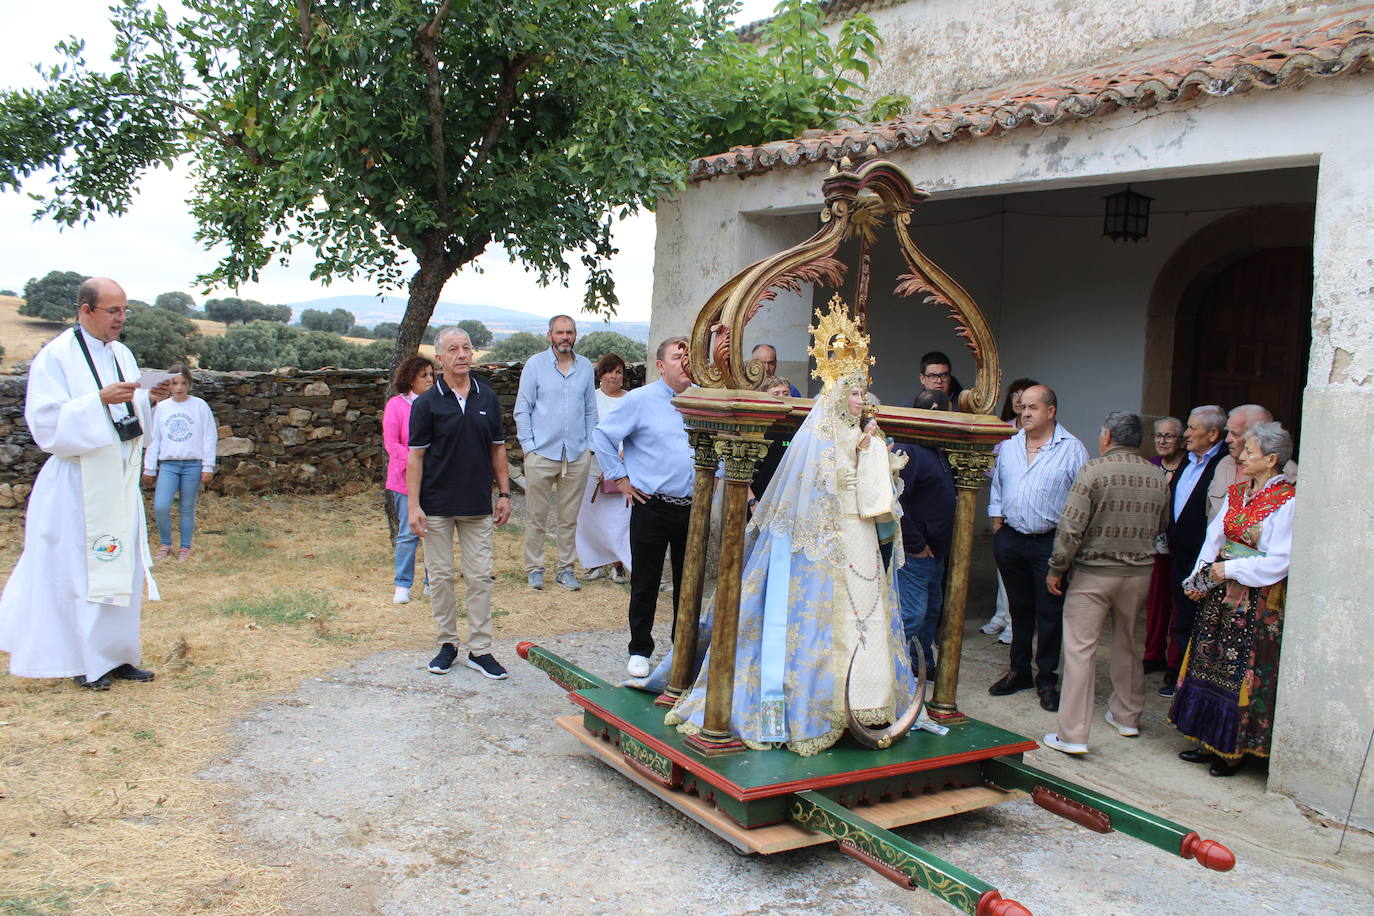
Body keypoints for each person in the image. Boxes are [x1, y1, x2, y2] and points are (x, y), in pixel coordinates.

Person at [650, 312, 918, 756]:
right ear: (834, 394)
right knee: (819, 624)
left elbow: (880, 498)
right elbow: (818, 491)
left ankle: (868, 703)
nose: (859, 400)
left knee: (866, 616)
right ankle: (812, 708)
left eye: (861, 392)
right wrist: (868, 461)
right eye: (851, 392)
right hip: (828, 541)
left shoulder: (865, 435)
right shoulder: (824, 438)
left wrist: (880, 461)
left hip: (861, 540)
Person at [0, 277, 171, 690]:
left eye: (125, 310)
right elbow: (45, 425)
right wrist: (97, 401)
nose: (121, 319)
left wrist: (149, 399)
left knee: (119, 566)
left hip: (116, 477)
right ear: (85, 310)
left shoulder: (123, 354)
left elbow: (128, 416)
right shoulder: (55, 357)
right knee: (78, 569)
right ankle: (79, 657)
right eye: (113, 311)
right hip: (76, 482)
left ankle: (116, 654)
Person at [1170, 422, 1295, 777]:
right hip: (1221, 592)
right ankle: (1205, 737)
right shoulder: (1239, 493)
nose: (1240, 457)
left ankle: (1232, 749)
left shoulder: (1286, 502)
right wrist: (1200, 576)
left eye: (1249, 452)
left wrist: (1231, 570)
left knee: (1239, 671)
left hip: (1255, 601)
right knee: (1209, 662)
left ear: (1271, 459)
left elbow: (1279, 560)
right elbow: (1214, 538)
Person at [1041, 412, 1170, 755]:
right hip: (1140, 574)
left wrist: (1057, 567)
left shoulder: (1093, 471)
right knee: (1129, 644)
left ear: (1108, 436)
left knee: (1080, 651)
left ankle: (1073, 734)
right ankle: (1127, 715)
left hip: (1094, 574)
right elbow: (1163, 522)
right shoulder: (1157, 475)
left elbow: (1071, 527)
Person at [407, 328, 512, 681]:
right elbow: (415, 459)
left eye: (466, 347)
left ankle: (480, 650)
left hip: (476, 505)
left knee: (480, 577)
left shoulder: (487, 397)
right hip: (436, 505)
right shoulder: (426, 404)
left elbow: (498, 448)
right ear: (440, 358)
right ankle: (447, 644)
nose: (462, 354)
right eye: (453, 349)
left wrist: (504, 493)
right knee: (440, 578)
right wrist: (413, 506)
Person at [591, 337, 695, 677]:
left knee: (688, 582)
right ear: (661, 365)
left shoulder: (703, 400)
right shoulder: (640, 400)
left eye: (689, 356)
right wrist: (620, 479)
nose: (685, 362)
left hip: (693, 506)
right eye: (678, 357)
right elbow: (603, 436)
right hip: (651, 504)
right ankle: (640, 649)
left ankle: (684, 646)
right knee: (646, 580)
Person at [987, 384, 1089, 711]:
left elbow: (1081, 499)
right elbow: (999, 487)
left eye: (1033, 407)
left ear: (1051, 411)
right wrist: (997, 523)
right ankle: (1019, 671)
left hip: (1050, 541)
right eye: (1022, 407)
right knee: (1019, 609)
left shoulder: (1072, 449)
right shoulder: (1010, 444)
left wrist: (1068, 550)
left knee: (1049, 612)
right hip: (1013, 538)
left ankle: (1047, 678)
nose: (1025, 413)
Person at [514, 314, 598, 592]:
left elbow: (590, 410)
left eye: (570, 332)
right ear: (550, 335)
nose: (565, 337)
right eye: (560, 332)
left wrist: (589, 447)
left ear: (575, 336)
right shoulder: (535, 365)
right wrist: (529, 448)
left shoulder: (585, 367)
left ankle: (565, 569)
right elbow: (522, 408)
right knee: (536, 516)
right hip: (542, 453)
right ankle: (535, 569)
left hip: (575, 454)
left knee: (569, 518)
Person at [1160, 405, 1228, 698]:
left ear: (1213, 434)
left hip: (1205, 560)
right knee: (1182, 618)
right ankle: (1179, 676)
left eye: (1192, 428)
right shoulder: (1189, 461)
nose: (1185, 434)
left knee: (1200, 622)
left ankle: (1191, 682)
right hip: (1181, 556)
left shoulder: (1222, 464)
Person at [894, 389, 955, 673]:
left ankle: (921, 665)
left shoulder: (936, 449)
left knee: (930, 613)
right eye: (948, 413)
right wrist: (916, 544)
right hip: (917, 552)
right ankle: (889, 670)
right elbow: (896, 501)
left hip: (935, 551)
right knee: (912, 615)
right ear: (934, 411)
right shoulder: (909, 451)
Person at [980, 377, 1038, 644]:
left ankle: (1015, 623)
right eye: (1015, 394)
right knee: (1005, 567)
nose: (1018, 400)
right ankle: (1001, 616)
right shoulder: (1003, 430)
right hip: (1004, 504)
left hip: (1030, 510)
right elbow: (994, 470)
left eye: (1024, 396)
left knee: (1022, 573)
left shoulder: (1037, 434)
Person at [141, 365, 216, 562]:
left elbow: (209, 436)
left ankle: (185, 547)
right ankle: (165, 543)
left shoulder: (199, 406)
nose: (179, 388)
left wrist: (208, 466)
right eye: (175, 383)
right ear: (169, 385)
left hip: (192, 464)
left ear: (189, 384)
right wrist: (149, 468)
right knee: (161, 506)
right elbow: (154, 439)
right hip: (169, 464)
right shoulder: (162, 408)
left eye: (183, 383)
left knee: (186, 507)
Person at [382, 355, 435, 603]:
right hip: (404, 481)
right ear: (410, 378)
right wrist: (417, 460)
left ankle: (431, 581)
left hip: (435, 480)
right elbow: (392, 443)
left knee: (434, 532)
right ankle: (402, 585)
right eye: (423, 375)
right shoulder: (396, 405)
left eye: (431, 374)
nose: (429, 379)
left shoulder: (437, 403)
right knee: (408, 533)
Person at [577, 353, 632, 584]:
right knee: (590, 517)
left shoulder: (631, 399)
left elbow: (634, 431)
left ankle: (619, 564)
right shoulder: (591, 398)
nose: (614, 376)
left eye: (618, 371)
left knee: (620, 520)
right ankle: (595, 563)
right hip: (592, 463)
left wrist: (621, 455)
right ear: (601, 374)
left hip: (623, 465)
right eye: (610, 371)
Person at [1141, 416, 1185, 674]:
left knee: (1178, 604)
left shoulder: (1189, 466)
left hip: (1179, 545)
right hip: (1154, 546)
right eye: (1159, 436)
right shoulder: (1151, 466)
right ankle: (1152, 654)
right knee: (1155, 602)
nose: (1162, 441)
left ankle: (1174, 661)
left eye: (1169, 436)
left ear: (1180, 441)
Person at [1206, 404, 1298, 521]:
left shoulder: (1290, 473)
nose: (1227, 439)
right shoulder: (1223, 463)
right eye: (1228, 432)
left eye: (1235, 434)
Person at [748, 375, 794, 508]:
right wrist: (752, 502)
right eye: (776, 394)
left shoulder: (798, 428)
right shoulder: (755, 428)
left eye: (786, 393)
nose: (782, 397)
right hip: (757, 501)